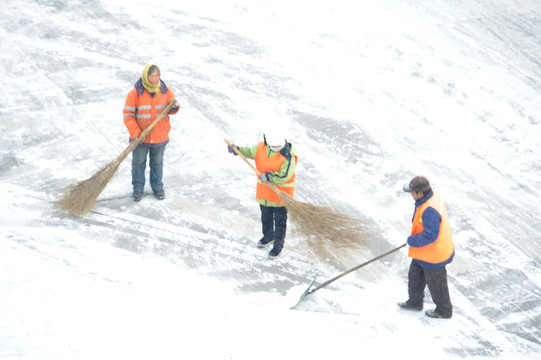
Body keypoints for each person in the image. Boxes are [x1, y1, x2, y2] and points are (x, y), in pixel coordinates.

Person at [228, 133, 297, 259]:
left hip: (280, 197)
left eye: (278, 146)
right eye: (273, 145)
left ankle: (278, 245)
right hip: (265, 194)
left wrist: (269, 176)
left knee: (280, 222)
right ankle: (268, 236)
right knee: (266, 218)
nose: (276, 148)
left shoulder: (288, 156)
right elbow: (250, 152)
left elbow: (284, 175)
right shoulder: (261, 147)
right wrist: (238, 150)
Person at [398, 176, 455, 319]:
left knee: (437, 284)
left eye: (412, 192)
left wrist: (413, 240)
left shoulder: (429, 210)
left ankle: (444, 311)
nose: (411, 194)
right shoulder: (432, 196)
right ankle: (414, 302)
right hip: (423, 251)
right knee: (415, 277)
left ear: (420, 193)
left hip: (434, 253)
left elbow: (430, 236)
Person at [123, 64, 179, 201]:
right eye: (151, 76)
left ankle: (157, 186)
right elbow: (128, 115)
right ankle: (138, 188)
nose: (154, 79)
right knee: (138, 162)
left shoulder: (165, 91)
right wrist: (136, 133)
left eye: (157, 76)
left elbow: (171, 108)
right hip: (140, 138)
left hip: (160, 135)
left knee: (157, 162)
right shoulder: (135, 93)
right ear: (145, 76)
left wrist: (175, 107)